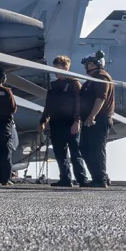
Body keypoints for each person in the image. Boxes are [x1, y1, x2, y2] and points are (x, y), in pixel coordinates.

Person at [39, 55, 90, 188]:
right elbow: (48, 105)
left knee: (75, 152)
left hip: (70, 122)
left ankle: (82, 179)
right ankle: (65, 179)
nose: (56, 71)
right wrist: (43, 121)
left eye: (59, 68)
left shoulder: (74, 84)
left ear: (66, 68)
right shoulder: (53, 86)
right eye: (55, 68)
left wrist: (77, 121)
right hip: (56, 123)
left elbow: (79, 104)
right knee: (60, 153)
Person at [78, 50, 115, 188]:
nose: (86, 67)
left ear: (96, 64)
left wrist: (92, 116)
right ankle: (100, 176)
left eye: (88, 64)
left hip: (98, 119)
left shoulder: (101, 77)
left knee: (96, 148)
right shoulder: (93, 79)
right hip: (92, 119)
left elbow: (101, 98)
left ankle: (100, 180)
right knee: (86, 148)